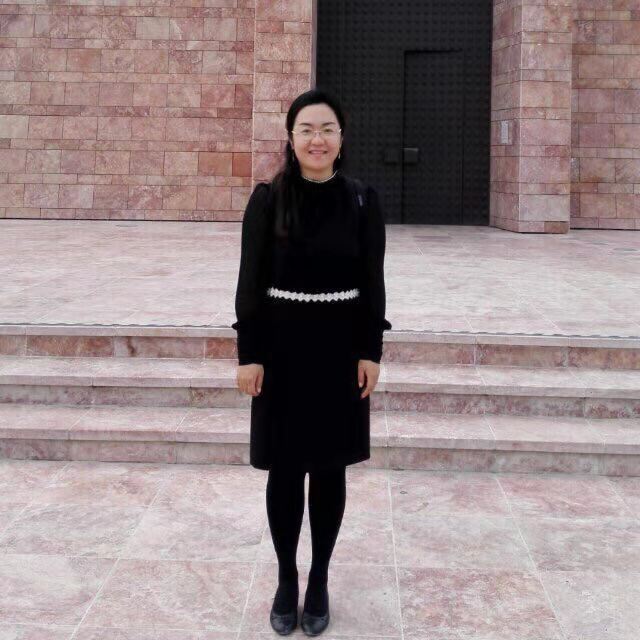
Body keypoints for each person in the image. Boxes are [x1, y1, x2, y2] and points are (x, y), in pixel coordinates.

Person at [231, 88, 392, 636]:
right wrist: (249, 355)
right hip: (281, 352)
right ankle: (286, 577)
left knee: (328, 468)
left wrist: (371, 350)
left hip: (339, 353)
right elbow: (249, 282)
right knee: (284, 468)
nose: (316, 139)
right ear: (291, 137)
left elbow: (373, 281)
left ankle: (319, 576)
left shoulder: (362, 200)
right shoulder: (268, 200)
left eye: (327, 129)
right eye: (306, 129)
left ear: (341, 139)